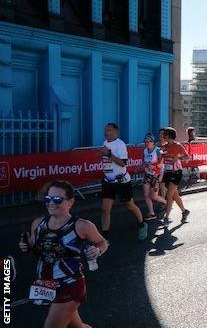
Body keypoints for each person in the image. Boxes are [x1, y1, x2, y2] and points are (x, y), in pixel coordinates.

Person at [19, 180, 108, 328]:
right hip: (47, 284)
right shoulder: (38, 224)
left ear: (70, 202)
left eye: (57, 199)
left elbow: (102, 242)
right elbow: (35, 255)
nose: (51, 203)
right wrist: (27, 248)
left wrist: (97, 250)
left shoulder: (81, 225)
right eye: (48, 199)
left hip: (70, 285)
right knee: (76, 326)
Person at [100, 123, 148, 241]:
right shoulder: (105, 143)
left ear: (115, 132)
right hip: (108, 182)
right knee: (105, 210)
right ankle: (104, 238)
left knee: (130, 205)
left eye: (109, 130)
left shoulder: (120, 144)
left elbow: (123, 163)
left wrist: (109, 154)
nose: (106, 132)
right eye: (105, 130)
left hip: (121, 181)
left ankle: (142, 225)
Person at [161, 127, 191, 224]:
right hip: (167, 172)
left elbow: (187, 157)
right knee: (174, 194)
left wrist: (177, 158)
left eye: (164, 134)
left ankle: (166, 217)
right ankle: (184, 211)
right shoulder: (164, 146)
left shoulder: (178, 146)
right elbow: (162, 158)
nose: (162, 136)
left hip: (176, 172)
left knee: (169, 195)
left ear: (169, 135)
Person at [142, 134, 167, 220]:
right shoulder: (145, 150)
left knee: (154, 196)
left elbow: (162, 164)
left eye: (148, 142)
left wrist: (154, 167)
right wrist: (144, 166)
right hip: (147, 175)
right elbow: (144, 161)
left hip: (156, 176)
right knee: (146, 194)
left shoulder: (157, 151)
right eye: (145, 142)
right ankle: (152, 213)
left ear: (153, 143)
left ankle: (167, 203)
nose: (146, 143)